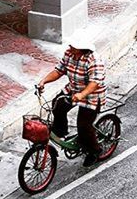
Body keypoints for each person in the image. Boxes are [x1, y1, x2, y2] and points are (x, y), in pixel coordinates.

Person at [37, 31, 107, 166]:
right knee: (57, 105)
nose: (69, 48)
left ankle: (94, 151)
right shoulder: (69, 54)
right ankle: (61, 131)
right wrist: (43, 81)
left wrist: (81, 95)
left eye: (73, 47)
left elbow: (94, 83)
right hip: (73, 89)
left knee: (84, 126)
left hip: (91, 96)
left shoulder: (94, 61)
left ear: (82, 49)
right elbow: (59, 70)